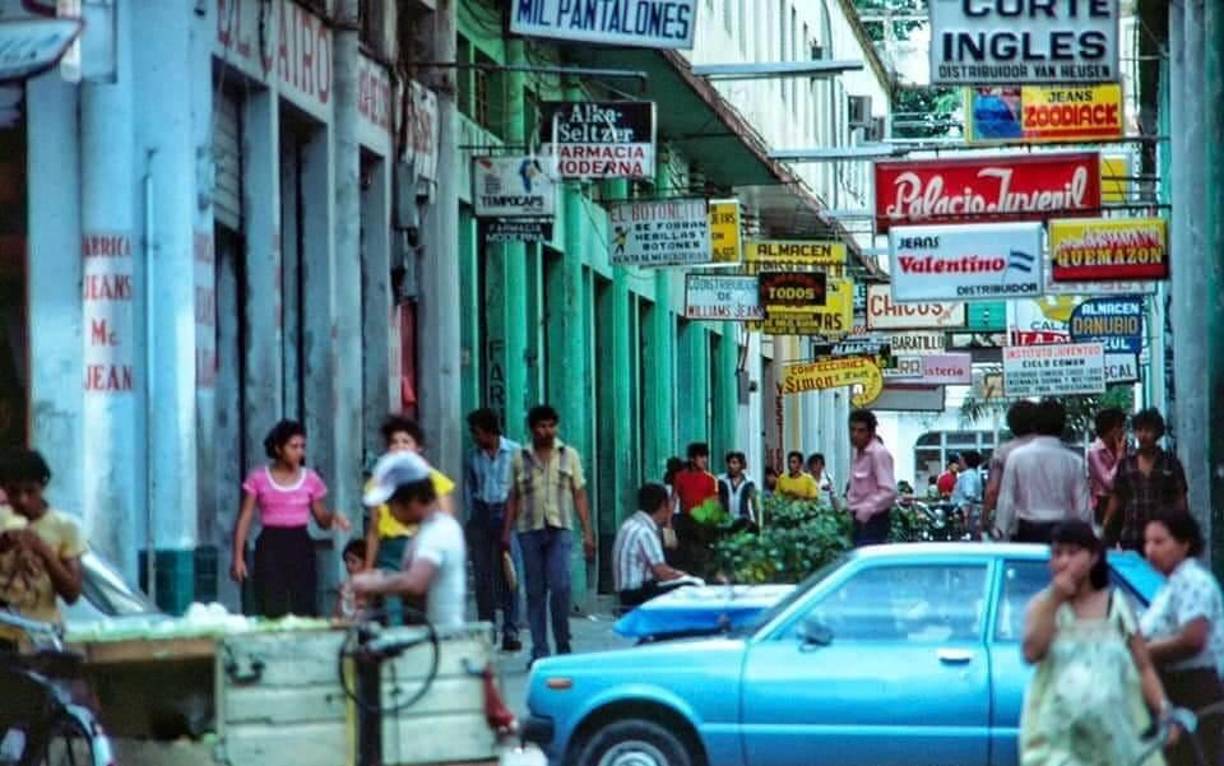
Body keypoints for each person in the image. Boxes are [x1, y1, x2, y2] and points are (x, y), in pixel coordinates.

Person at [1020, 521, 1171, 766]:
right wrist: (1056, 598)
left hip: (1116, 738)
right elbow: (1032, 651)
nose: (1064, 561)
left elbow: (1143, 666)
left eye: (1072, 552)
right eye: (1057, 554)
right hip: (1059, 742)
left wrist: (1164, 710)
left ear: (1092, 558)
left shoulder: (1117, 606)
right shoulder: (1043, 606)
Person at [501, 405, 596, 665]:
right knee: (535, 592)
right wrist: (506, 535)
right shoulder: (520, 457)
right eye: (541, 426)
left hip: (560, 528)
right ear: (532, 429)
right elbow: (513, 497)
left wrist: (588, 532)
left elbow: (579, 494)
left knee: (561, 585)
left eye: (551, 425)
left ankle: (563, 643)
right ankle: (540, 651)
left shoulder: (569, 455)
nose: (547, 431)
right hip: (529, 530)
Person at [231, 420, 350, 617]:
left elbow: (321, 519)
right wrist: (237, 557)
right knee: (271, 601)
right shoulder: (258, 478)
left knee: (304, 601)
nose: (299, 452)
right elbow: (244, 517)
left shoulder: (310, 478)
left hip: (300, 542)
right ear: (278, 448)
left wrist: (333, 517)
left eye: (302, 447)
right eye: (293, 447)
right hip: (270, 544)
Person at [1141, 513, 1224, 766]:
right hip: (1176, 689)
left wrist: (1144, 652)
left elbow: (1192, 638)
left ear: (1184, 544)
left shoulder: (1193, 581)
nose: (1150, 550)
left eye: (1159, 542)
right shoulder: (1169, 585)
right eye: (1147, 542)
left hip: (1196, 690)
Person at [353, 452, 467, 630]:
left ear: (412, 499)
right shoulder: (426, 530)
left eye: (391, 504)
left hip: (443, 640)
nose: (389, 512)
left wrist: (372, 584)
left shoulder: (439, 531)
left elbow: (415, 583)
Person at [364, 415, 456, 625]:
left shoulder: (434, 480)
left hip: (419, 549)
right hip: (390, 551)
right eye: (394, 442)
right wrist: (369, 568)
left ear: (418, 448)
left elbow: (446, 520)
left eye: (406, 442)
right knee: (392, 611)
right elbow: (374, 530)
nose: (400, 447)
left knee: (419, 613)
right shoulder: (379, 482)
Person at [0, 450, 86, 645]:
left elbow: (72, 594)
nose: (22, 500)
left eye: (30, 491)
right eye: (14, 492)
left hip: (41, 634)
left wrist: (44, 552)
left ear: (43, 486)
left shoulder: (66, 527)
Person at [464, 408, 523, 652]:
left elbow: (519, 492)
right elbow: (470, 487)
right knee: (483, 577)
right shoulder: (472, 456)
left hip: (506, 514)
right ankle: (486, 629)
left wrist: (510, 527)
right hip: (481, 514)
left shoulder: (516, 453)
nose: (474, 437)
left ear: (490, 431)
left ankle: (511, 629)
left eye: (477, 432)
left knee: (509, 576)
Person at [995, 399, 1092, 544]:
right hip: (1063, 533)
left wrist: (1001, 532)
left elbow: (1007, 500)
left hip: (1026, 531)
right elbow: (1083, 507)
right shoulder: (1074, 461)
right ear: (1063, 426)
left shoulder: (1017, 457)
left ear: (1034, 425)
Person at [1106, 409, 1189, 551]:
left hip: (1162, 534)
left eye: (1148, 430)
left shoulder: (1171, 463)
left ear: (1158, 433)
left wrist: (1184, 529)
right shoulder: (1126, 464)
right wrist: (1106, 524)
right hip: (1132, 535)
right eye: (1139, 430)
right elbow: (1117, 497)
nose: (1143, 435)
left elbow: (1180, 499)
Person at [612, 484, 692, 608]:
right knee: (691, 586)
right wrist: (687, 577)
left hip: (626, 592)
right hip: (637, 594)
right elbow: (662, 573)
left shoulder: (629, 524)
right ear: (662, 506)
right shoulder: (645, 532)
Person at [983, 400, 1039, 532]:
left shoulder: (1003, 452)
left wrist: (984, 518)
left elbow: (993, 491)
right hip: (1053, 522)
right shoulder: (1053, 451)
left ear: (1011, 424)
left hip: (1014, 523)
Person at [845, 410, 897, 547]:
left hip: (872, 521)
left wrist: (864, 511)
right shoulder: (860, 454)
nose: (855, 435)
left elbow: (889, 491)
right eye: (852, 429)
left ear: (871, 432)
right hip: (858, 520)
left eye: (861, 431)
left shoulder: (878, 453)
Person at [1087, 407, 1128, 532]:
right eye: (1119, 427)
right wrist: (1120, 458)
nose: (1122, 431)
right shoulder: (1094, 452)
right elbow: (1109, 483)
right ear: (1109, 429)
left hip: (1123, 501)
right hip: (1103, 503)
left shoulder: (1120, 447)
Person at [672, 443, 718, 514]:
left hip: (704, 520)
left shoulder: (711, 479)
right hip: (685, 519)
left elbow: (714, 502)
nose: (705, 460)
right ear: (691, 458)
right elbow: (673, 499)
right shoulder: (680, 477)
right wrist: (668, 521)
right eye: (701, 457)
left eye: (706, 457)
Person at [717, 452, 759, 526]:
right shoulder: (721, 480)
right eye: (729, 462)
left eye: (734, 463)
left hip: (744, 522)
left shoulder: (749, 482)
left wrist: (757, 523)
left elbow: (754, 504)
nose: (730, 465)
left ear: (741, 465)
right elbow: (716, 501)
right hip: (725, 522)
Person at [334, 539, 368, 622]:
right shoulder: (345, 587)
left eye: (353, 561)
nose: (348, 566)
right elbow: (336, 617)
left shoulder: (373, 586)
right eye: (346, 561)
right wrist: (342, 597)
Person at [951, 450, 984, 532]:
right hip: (971, 514)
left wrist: (965, 516)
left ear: (965, 461)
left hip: (965, 515)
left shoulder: (967, 475)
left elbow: (969, 496)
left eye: (960, 460)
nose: (958, 463)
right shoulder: (973, 474)